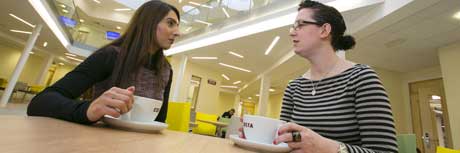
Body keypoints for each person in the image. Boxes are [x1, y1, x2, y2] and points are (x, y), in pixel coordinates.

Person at [240, 1, 398, 153]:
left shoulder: (361, 78)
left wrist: (328, 148)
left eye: (300, 25)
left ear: (324, 30)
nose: (291, 32)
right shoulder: (294, 87)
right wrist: (259, 138)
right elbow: (286, 141)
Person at [27, 1, 181, 124]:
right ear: (148, 23)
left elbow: (159, 121)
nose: (177, 32)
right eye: (170, 23)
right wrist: (88, 110)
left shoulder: (167, 70)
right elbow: (41, 102)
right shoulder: (111, 56)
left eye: (177, 25)